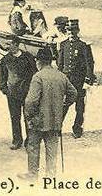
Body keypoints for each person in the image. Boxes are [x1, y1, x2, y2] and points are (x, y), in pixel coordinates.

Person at [20, 46, 76, 179]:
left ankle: (33, 174)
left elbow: (31, 101)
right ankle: (50, 176)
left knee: (33, 147)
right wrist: (63, 106)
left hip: (38, 120)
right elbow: (73, 93)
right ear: (50, 61)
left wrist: (29, 116)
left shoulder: (37, 77)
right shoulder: (61, 76)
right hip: (55, 120)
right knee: (52, 149)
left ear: (38, 61)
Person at [58, 19, 95, 138]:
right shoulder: (63, 45)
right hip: (67, 80)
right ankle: (58, 127)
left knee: (79, 107)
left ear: (77, 31)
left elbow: (89, 64)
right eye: (68, 30)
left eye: (73, 30)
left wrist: (87, 80)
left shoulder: (83, 46)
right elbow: (60, 64)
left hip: (79, 80)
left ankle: (77, 127)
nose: (71, 33)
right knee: (64, 105)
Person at [0, 36, 38, 150]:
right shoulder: (5, 60)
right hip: (12, 94)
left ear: (16, 44)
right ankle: (17, 141)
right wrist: (5, 90)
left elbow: (35, 74)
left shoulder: (28, 57)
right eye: (7, 44)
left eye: (10, 44)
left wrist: (32, 91)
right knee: (14, 118)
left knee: (28, 117)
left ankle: (30, 141)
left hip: (27, 93)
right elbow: (2, 78)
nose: (7, 46)